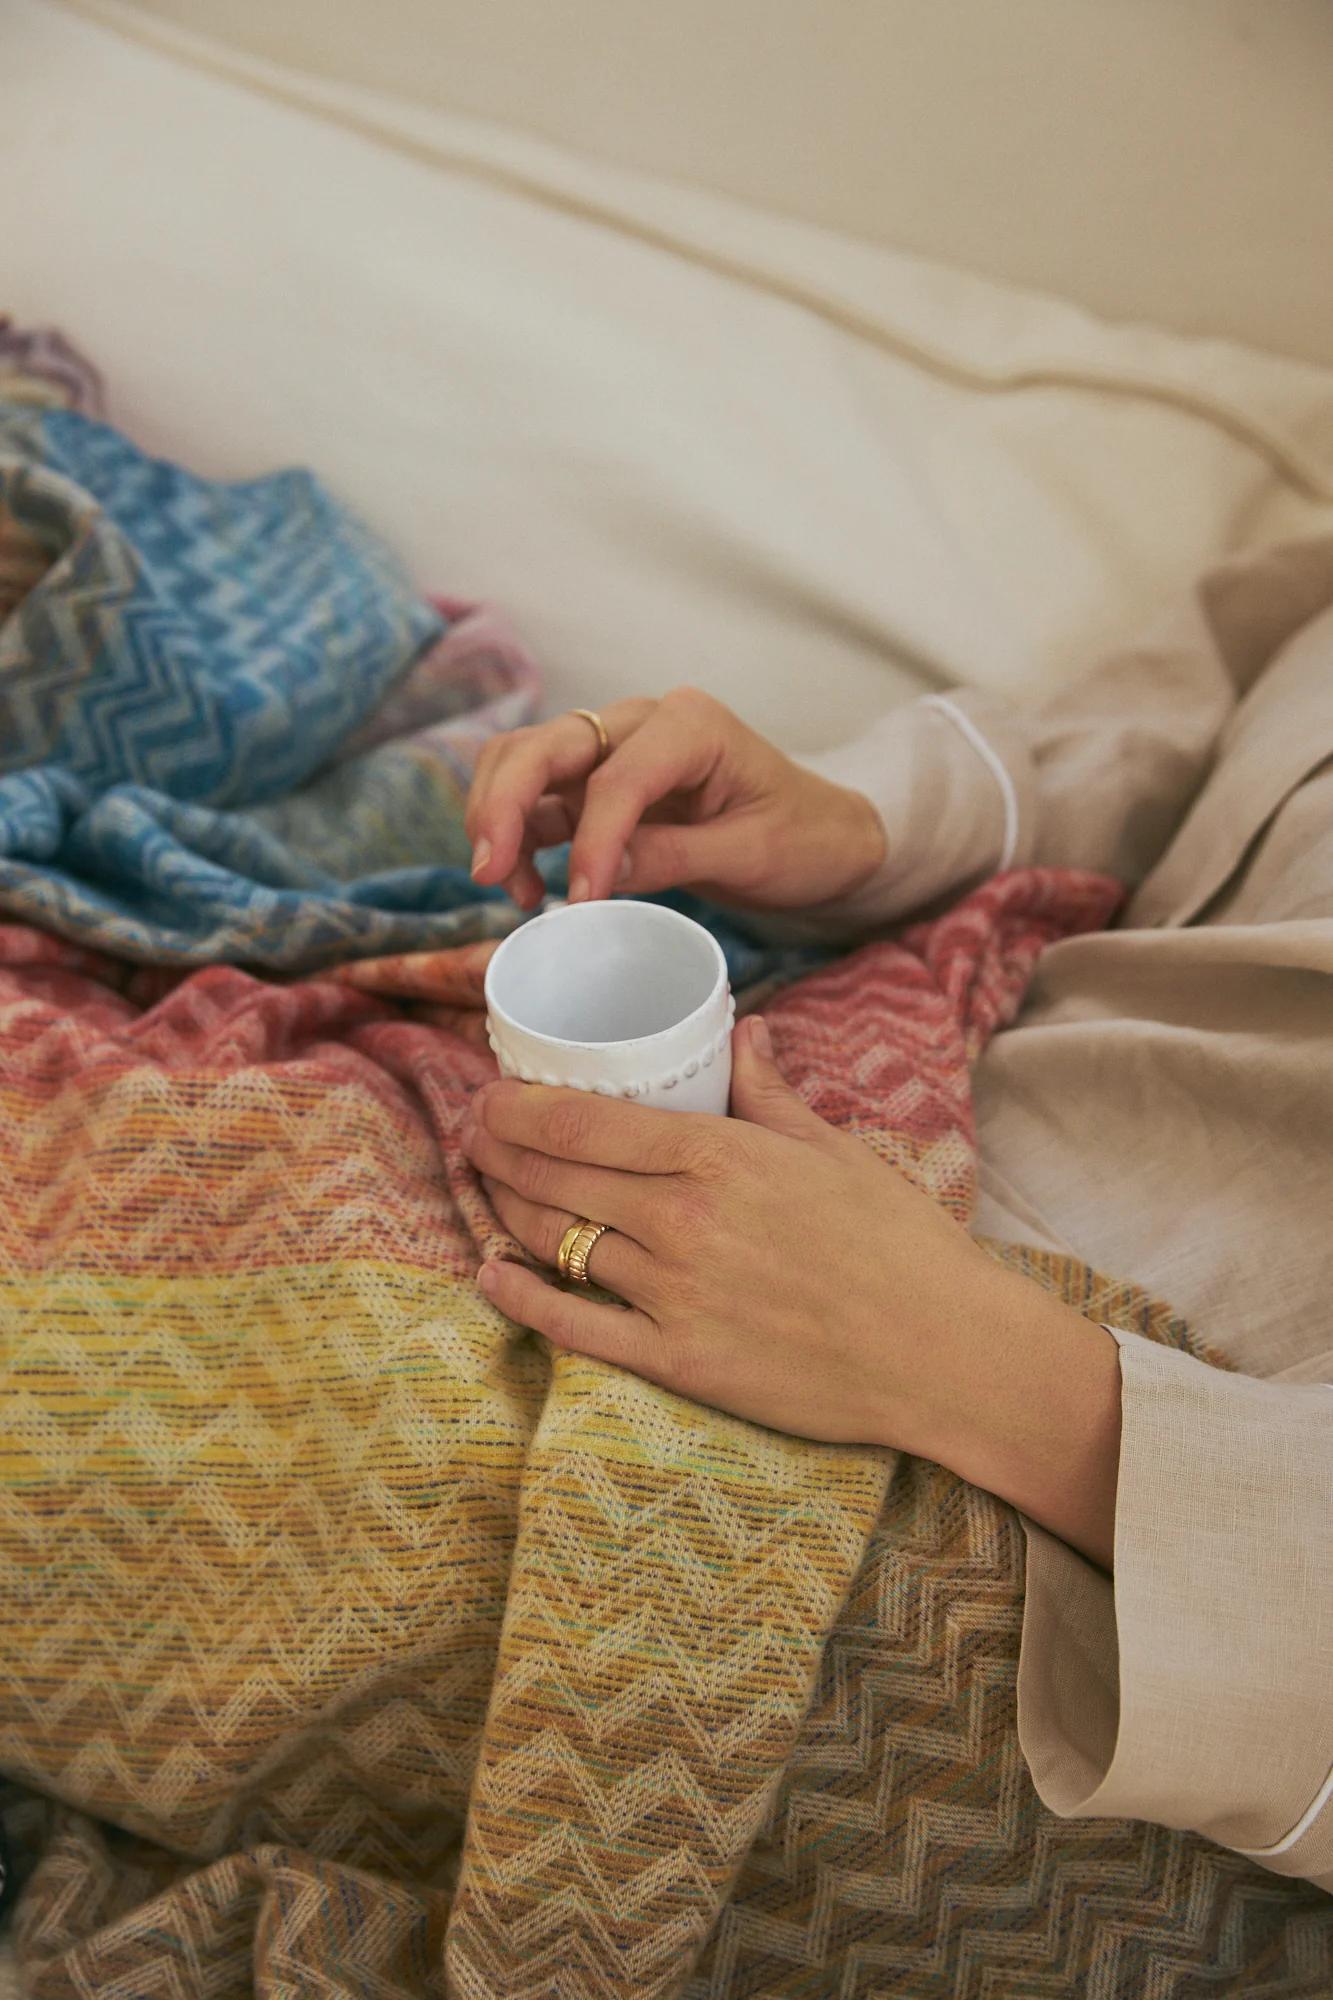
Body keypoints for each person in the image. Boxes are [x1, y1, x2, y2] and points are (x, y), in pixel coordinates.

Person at [458, 535, 1333, 1892]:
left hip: (1121, 1561)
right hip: (897, 1100)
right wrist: (854, 822)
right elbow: (1146, 750)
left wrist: (975, 1366)